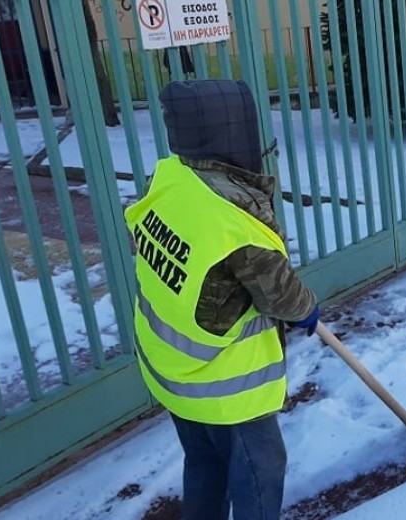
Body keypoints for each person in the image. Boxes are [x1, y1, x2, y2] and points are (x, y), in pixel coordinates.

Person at [124, 79, 319, 520]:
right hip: (224, 386)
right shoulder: (235, 217)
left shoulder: (172, 178)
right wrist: (308, 309)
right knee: (261, 470)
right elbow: (282, 297)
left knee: (205, 459)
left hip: (166, 365)